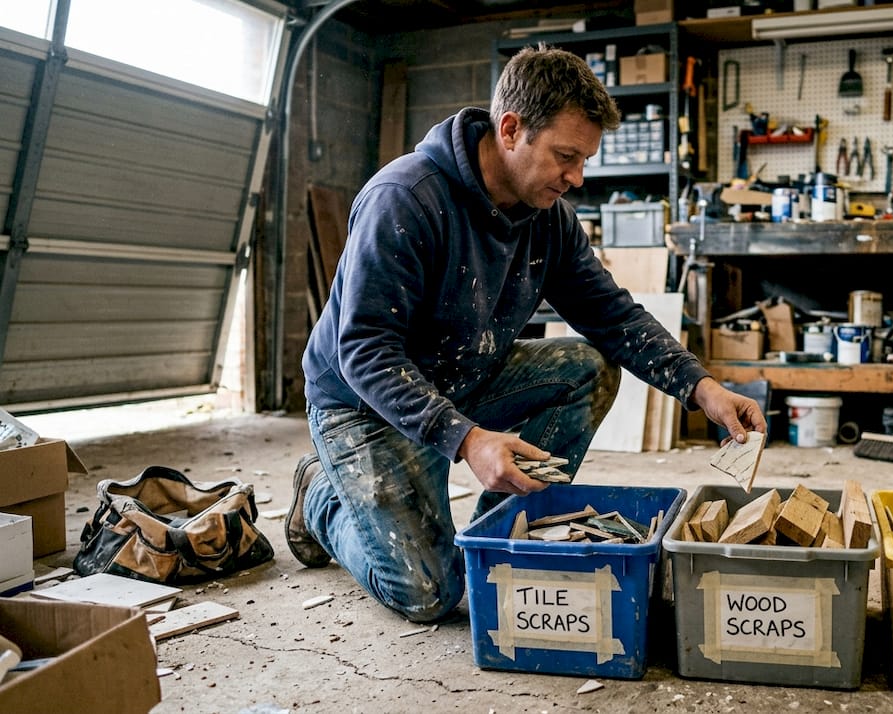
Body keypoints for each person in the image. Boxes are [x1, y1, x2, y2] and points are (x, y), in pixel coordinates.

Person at [289, 45, 766, 624]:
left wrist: (703, 389)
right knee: (429, 593)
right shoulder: (405, 199)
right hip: (365, 405)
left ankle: (495, 531)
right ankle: (321, 497)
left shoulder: (549, 219)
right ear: (511, 129)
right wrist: (468, 440)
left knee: (588, 368)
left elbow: (612, 316)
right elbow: (365, 351)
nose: (577, 178)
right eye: (566, 156)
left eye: (584, 160)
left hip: (461, 378)